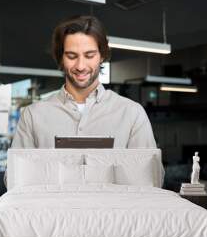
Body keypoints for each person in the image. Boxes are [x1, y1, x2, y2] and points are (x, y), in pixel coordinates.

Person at [11, 15, 157, 149]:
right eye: (72, 56)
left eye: (89, 55)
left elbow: (148, 175)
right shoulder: (33, 116)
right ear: (61, 58)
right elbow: (16, 176)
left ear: (101, 56)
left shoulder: (132, 114)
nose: (80, 66)